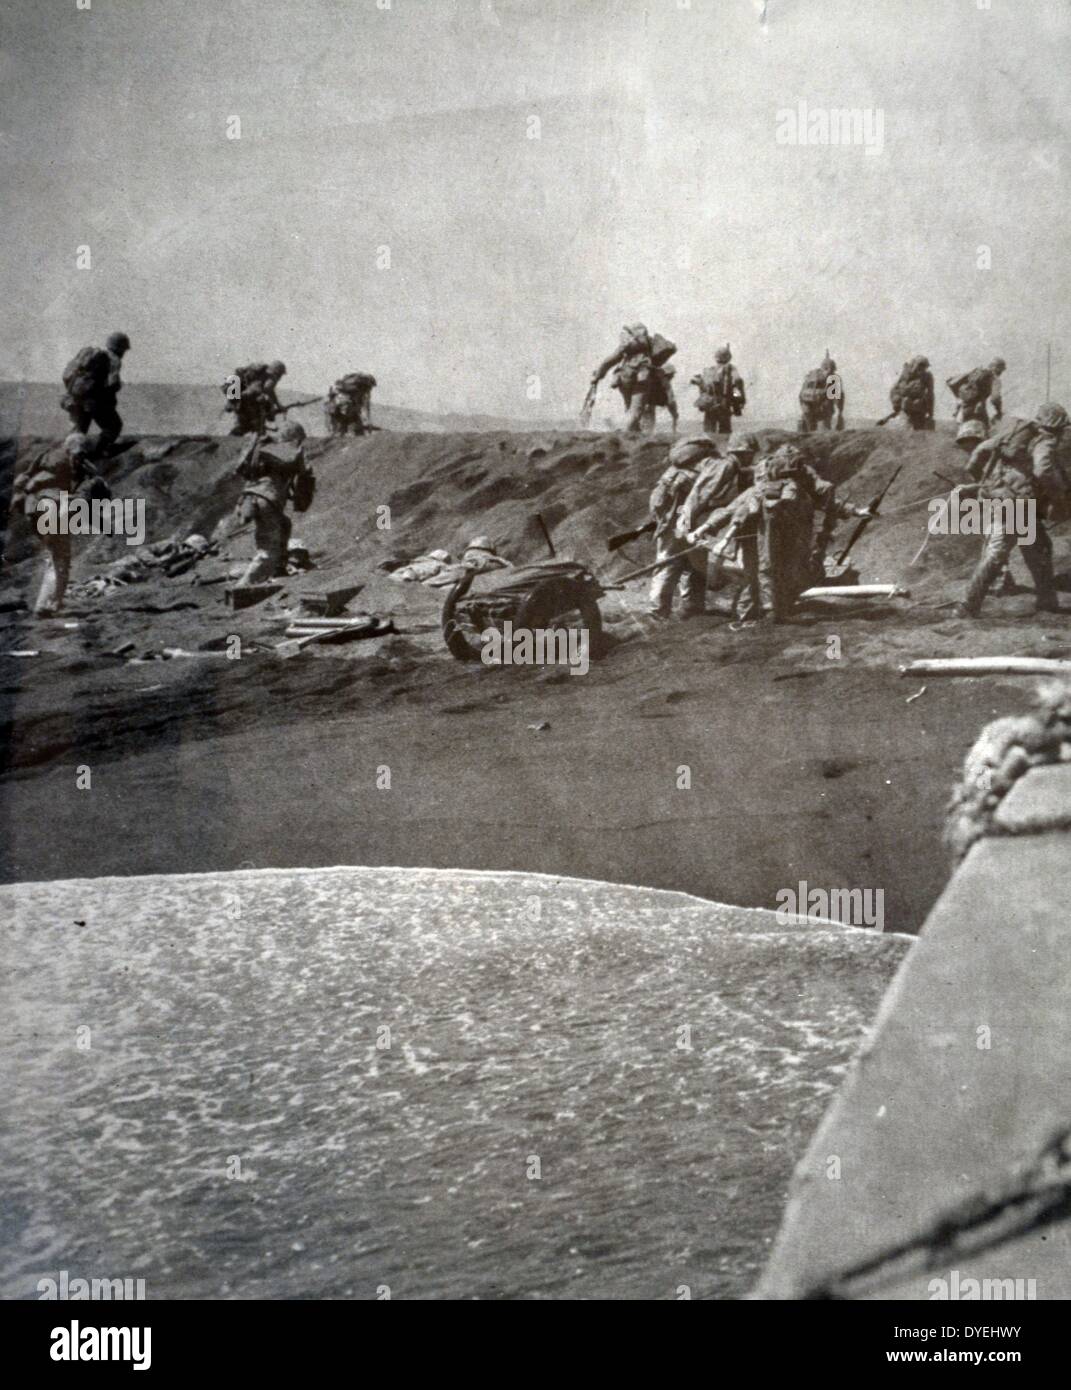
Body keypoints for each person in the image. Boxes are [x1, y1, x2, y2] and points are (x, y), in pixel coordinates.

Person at [957, 403, 1070, 617]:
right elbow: (1043, 468)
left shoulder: (1015, 433)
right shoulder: (1045, 440)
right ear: (1056, 426)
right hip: (1019, 503)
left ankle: (1047, 602)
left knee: (1038, 547)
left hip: (1001, 497)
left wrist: (982, 481)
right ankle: (967, 605)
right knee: (999, 551)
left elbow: (979, 452)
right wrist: (1058, 495)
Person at [10, 432, 108, 616]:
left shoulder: (46, 456)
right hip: (52, 507)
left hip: (35, 508)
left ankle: (47, 603)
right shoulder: (79, 467)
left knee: (55, 556)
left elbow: (22, 479)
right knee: (60, 558)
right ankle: (49, 604)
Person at [233, 419, 315, 586]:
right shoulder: (291, 452)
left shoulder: (263, 450)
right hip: (267, 500)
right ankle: (243, 588)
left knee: (285, 524)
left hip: (249, 498)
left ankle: (278, 567)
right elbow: (306, 474)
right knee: (268, 550)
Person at [647, 437, 720, 618]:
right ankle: (666, 608)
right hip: (684, 521)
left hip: (673, 520)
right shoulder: (700, 471)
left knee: (678, 563)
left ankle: (675, 607)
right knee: (677, 563)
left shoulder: (674, 471)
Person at [590, 324, 679, 434]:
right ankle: (626, 434)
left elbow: (609, 361)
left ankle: (632, 433)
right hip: (642, 378)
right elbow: (670, 396)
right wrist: (675, 416)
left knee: (629, 408)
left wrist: (598, 376)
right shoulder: (649, 348)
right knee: (636, 411)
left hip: (624, 377)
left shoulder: (626, 348)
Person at [61, 332, 130, 457]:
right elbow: (113, 384)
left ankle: (71, 459)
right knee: (114, 427)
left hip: (73, 399)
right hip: (94, 402)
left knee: (78, 434)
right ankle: (96, 454)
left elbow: (67, 376)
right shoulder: (114, 359)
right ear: (121, 349)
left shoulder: (88, 356)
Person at [692, 345, 746, 435]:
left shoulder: (709, 370)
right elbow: (737, 383)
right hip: (724, 404)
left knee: (709, 431)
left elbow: (703, 387)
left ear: (716, 358)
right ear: (729, 357)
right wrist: (739, 401)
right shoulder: (730, 369)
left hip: (710, 404)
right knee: (725, 432)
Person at [223, 360, 287, 436]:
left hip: (240, 400)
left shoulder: (260, 376)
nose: (280, 377)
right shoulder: (271, 377)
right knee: (258, 427)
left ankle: (231, 440)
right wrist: (273, 408)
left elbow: (269, 391)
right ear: (278, 372)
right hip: (246, 400)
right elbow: (267, 390)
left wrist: (277, 405)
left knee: (243, 426)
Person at [946, 358, 1005, 428]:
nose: (1001, 372)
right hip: (978, 411)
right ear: (998, 368)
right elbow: (995, 398)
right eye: (1002, 369)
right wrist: (999, 412)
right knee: (984, 433)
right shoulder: (994, 379)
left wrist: (959, 400)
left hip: (963, 409)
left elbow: (951, 382)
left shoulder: (976, 372)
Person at [798, 355, 844, 433]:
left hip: (815, 404)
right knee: (816, 426)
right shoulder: (818, 376)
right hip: (814, 404)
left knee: (818, 425)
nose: (829, 371)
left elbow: (838, 397)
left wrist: (839, 412)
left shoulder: (814, 375)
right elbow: (837, 397)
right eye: (829, 368)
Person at [889, 355, 935, 430]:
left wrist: (930, 413)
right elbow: (896, 389)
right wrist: (897, 405)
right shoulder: (906, 373)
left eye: (924, 367)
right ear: (915, 365)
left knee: (915, 403)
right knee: (906, 401)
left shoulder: (928, 376)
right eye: (920, 366)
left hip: (919, 403)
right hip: (904, 402)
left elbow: (931, 394)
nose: (922, 369)